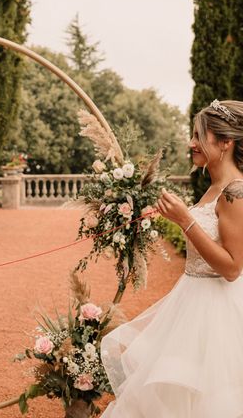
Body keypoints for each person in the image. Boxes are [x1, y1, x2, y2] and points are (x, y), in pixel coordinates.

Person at [100, 99, 243, 417]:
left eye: (199, 135)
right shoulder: (213, 188)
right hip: (189, 300)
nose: (191, 143)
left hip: (215, 313)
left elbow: (233, 268)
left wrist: (185, 220)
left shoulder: (235, 192)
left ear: (225, 142)